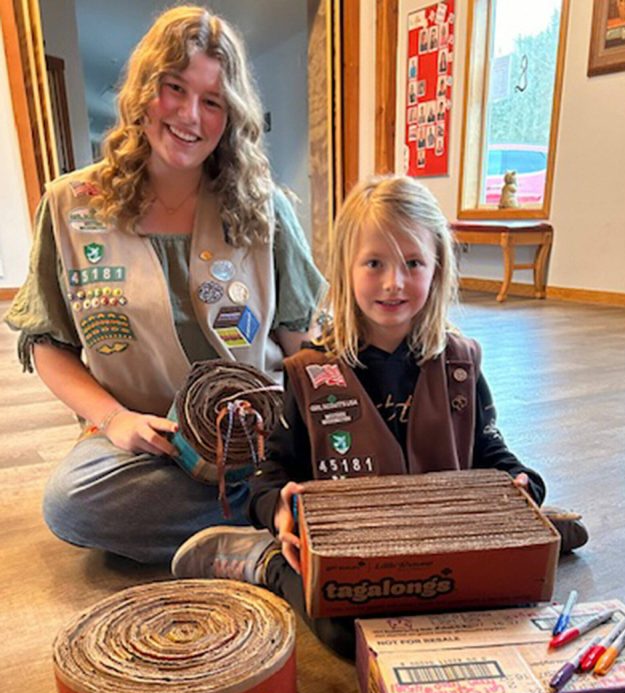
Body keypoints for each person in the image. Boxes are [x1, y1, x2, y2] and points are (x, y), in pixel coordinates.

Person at [172, 175, 588, 658]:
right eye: (374, 263)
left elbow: (491, 451)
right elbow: (270, 475)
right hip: (352, 551)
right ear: (345, 268)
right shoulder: (310, 373)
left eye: (413, 263)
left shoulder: (460, 364)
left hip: (440, 540)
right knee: (348, 636)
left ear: (437, 268)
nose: (394, 282)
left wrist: (523, 486)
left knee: (512, 602)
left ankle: (536, 530)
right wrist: (278, 512)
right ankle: (265, 561)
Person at [5, 5, 323, 564]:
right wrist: (115, 420)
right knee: (71, 503)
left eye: (213, 101)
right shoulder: (69, 207)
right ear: (143, 91)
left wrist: (338, 421)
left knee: (324, 459)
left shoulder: (265, 209)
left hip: (255, 437)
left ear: (231, 116)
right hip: (143, 445)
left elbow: (302, 342)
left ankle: (247, 528)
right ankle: (270, 518)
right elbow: (48, 344)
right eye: (174, 88)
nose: (189, 115)